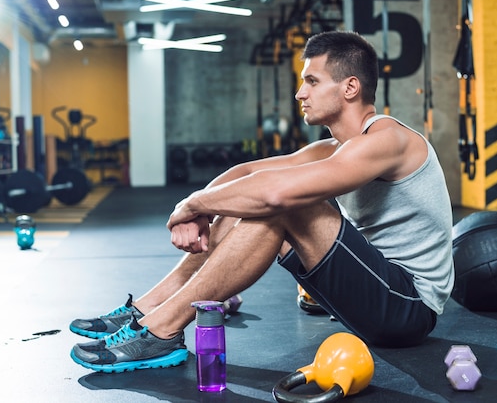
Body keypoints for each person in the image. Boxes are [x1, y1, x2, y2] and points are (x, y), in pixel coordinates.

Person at [69, 30, 454, 373]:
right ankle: (149, 310)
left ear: (350, 87)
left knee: (286, 202)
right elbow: (245, 173)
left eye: (312, 81)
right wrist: (194, 204)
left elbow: (274, 192)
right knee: (264, 200)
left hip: (408, 307)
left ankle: (162, 328)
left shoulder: (388, 141)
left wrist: (194, 207)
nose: (300, 93)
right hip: (375, 296)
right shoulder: (334, 148)